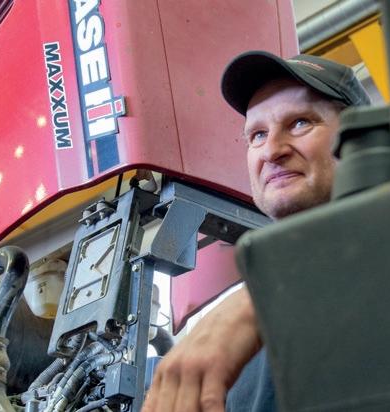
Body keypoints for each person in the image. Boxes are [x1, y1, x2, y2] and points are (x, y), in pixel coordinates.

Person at [142, 50, 371, 412]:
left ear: (362, 139)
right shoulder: (223, 335)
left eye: (300, 123)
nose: (272, 151)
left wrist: (262, 299)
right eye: (258, 135)